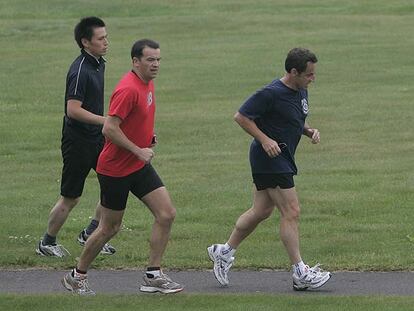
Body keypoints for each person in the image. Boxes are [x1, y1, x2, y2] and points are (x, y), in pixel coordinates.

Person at [61, 39, 184, 295]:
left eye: (158, 59)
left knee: (166, 213)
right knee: (109, 228)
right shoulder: (128, 89)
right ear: (135, 61)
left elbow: (133, 121)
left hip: (136, 165)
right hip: (115, 169)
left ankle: (153, 274)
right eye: (150, 60)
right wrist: (139, 149)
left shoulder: (146, 83)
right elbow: (109, 128)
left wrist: (146, 138)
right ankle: (76, 276)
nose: (156, 64)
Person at [208, 48, 331, 291]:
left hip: (281, 157)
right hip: (269, 158)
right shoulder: (270, 93)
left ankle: (224, 251)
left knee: (261, 210)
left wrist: (307, 130)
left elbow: (293, 117)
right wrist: (265, 139)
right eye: (308, 74)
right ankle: (300, 272)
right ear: (293, 72)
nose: (312, 78)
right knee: (291, 211)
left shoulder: (301, 89)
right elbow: (241, 117)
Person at [36, 17, 115, 257]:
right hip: (78, 140)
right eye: (100, 39)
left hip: (97, 137)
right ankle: (47, 243)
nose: (106, 42)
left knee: (112, 185)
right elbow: (73, 109)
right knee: (71, 196)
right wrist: (105, 120)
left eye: (106, 37)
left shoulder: (98, 63)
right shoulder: (80, 70)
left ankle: (90, 234)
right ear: (85, 42)